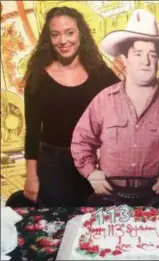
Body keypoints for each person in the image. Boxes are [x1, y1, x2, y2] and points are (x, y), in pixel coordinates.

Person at [70, 9, 159, 207]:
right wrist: (90, 172)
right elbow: (81, 140)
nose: (146, 61)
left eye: (152, 54)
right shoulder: (104, 100)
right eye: (138, 53)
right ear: (125, 59)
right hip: (110, 198)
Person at [23, 6, 121, 207]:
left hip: (92, 162)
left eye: (69, 32)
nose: (63, 40)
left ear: (81, 34)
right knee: (57, 225)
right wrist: (31, 176)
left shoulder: (100, 74)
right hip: (53, 164)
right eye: (55, 34)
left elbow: (128, 100)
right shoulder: (38, 78)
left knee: (91, 223)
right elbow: (32, 131)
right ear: (48, 38)